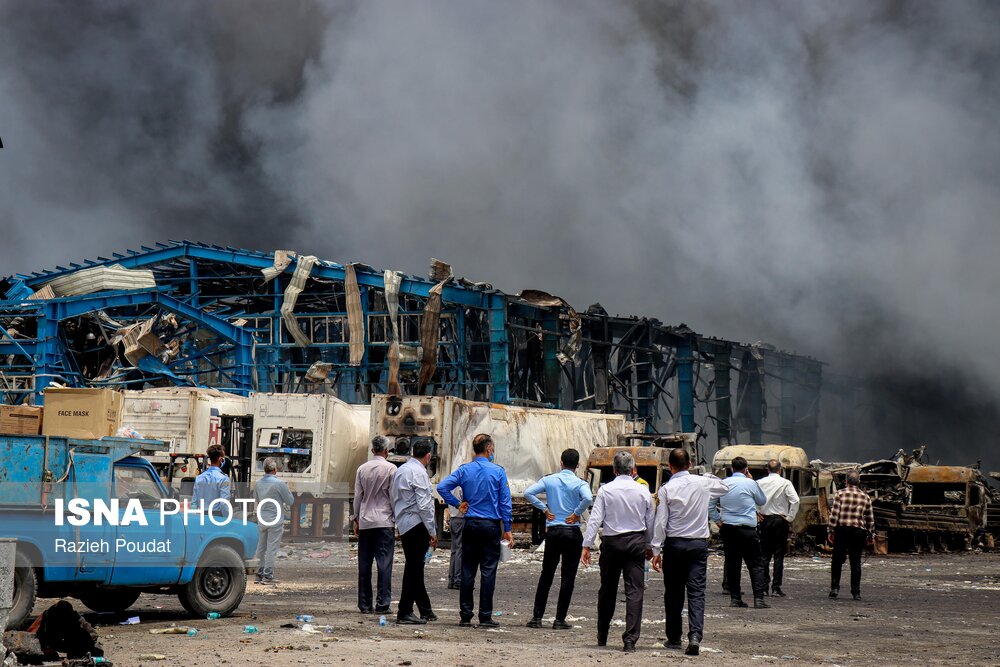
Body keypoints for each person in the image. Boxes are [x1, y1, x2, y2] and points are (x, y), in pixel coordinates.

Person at [650, 448, 729, 656]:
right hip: (697, 545)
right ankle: (695, 636)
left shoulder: (667, 488)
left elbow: (661, 521)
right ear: (690, 464)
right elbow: (725, 488)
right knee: (696, 592)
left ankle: (674, 637)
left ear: (670, 466)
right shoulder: (702, 482)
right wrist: (707, 475)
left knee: (673, 593)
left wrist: (656, 549)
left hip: (675, 545)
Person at [581, 451, 654, 653]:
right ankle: (630, 639)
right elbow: (650, 522)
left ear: (614, 470)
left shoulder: (606, 490)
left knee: (607, 590)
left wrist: (586, 545)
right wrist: (651, 547)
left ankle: (602, 633)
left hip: (612, 543)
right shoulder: (643, 491)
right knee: (635, 591)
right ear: (633, 470)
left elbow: (595, 519)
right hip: (636, 542)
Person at [438, 433, 513, 628]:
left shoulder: (464, 470)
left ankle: (465, 615)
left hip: (470, 524)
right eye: (493, 449)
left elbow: (442, 486)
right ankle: (485, 616)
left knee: (467, 570)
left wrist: (457, 503)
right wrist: (508, 529)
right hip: (490, 526)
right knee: (488, 571)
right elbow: (505, 502)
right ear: (489, 449)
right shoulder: (498, 472)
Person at [523, 448, 593, 629]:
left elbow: (528, 493)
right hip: (572, 532)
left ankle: (537, 617)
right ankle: (559, 619)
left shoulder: (549, 479)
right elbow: (587, 498)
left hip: (553, 531)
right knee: (568, 577)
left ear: (561, 463)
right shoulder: (580, 483)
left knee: (546, 574)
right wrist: (577, 513)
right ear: (578, 465)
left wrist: (544, 509)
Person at [389, 439, 439, 625]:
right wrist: (432, 530)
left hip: (404, 522)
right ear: (428, 456)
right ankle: (405, 611)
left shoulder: (401, 470)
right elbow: (425, 506)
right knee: (414, 568)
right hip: (417, 523)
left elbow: (393, 497)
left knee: (415, 567)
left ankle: (425, 609)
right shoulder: (419, 473)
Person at [709, 457, 769, 609]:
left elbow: (710, 505)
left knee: (732, 563)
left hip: (729, 528)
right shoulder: (751, 483)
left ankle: (735, 598)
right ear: (746, 469)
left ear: (731, 469)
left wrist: (718, 520)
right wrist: (752, 480)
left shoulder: (722, 483)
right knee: (755, 564)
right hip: (748, 529)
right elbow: (762, 501)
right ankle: (759, 599)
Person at [353, 436, 397, 614]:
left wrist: (356, 518)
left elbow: (358, 496)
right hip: (384, 521)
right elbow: (394, 497)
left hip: (365, 521)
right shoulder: (391, 469)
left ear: (372, 450)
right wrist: (397, 519)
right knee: (384, 564)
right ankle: (382, 604)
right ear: (386, 451)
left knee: (364, 565)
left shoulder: (362, 469)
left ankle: (364, 604)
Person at [756, 459, 800, 597]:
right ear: (780, 470)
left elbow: (752, 499)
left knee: (764, 555)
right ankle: (776, 587)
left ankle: (763, 587)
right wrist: (789, 517)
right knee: (779, 554)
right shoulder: (786, 483)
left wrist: (757, 512)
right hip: (780, 520)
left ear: (767, 470)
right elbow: (795, 500)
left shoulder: (759, 482)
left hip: (764, 519)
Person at [828, 470, 874, 601]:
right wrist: (871, 534)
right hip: (858, 531)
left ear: (846, 481)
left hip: (842, 530)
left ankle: (835, 588)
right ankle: (856, 591)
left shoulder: (840, 494)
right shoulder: (865, 497)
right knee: (856, 562)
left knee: (837, 560)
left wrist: (830, 530)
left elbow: (834, 515)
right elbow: (870, 518)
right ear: (859, 482)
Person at [253, 457, 294, 584]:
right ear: (275, 470)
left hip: (262, 519)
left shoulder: (258, 483)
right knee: (271, 548)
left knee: (261, 547)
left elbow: (257, 499)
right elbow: (290, 501)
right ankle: (268, 576)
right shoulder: (279, 484)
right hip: (275, 520)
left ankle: (258, 575)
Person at [191, 444, 231, 515]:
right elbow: (224, 503)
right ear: (220, 459)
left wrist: (193, 519)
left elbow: (194, 503)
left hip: (201, 515)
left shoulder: (199, 478)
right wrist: (228, 518)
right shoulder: (223, 479)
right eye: (223, 458)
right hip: (216, 516)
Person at [446, 487, 465, 590]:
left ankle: (451, 579)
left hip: (453, 519)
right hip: (461, 518)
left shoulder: (451, 488)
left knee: (454, 550)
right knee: (460, 550)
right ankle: (458, 579)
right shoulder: (460, 488)